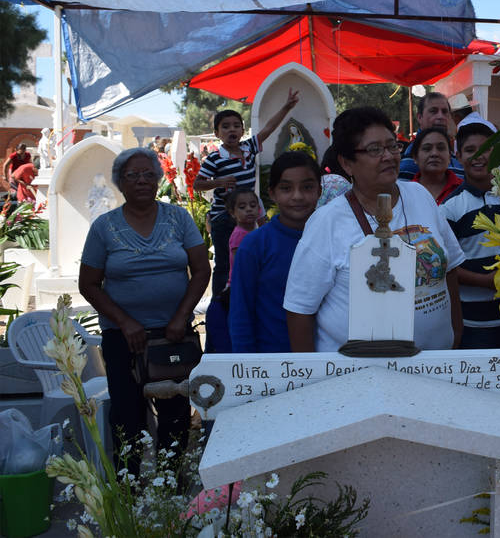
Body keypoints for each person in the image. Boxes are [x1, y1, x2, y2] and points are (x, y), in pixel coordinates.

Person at [284, 107, 465, 352]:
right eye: (374, 150)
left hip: (435, 364)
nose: (389, 156)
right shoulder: (327, 222)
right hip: (359, 376)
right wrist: (312, 376)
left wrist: (455, 333)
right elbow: (300, 310)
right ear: (347, 163)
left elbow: (450, 267)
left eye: (392, 146)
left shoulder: (420, 195)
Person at [78, 148, 210, 470]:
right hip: (123, 338)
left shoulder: (178, 218)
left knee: (175, 416)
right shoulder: (104, 227)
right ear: (120, 183)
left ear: (158, 180)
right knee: (127, 416)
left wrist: (180, 317)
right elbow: (89, 284)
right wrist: (125, 323)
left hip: (172, 335)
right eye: (132, 175)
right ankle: (131, 491)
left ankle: (172, 485)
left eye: (148, 174)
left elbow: (201, 270)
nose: (141, 181)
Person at [194, 91, 299, 297]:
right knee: (225, 263)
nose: (231, 129)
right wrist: (219, 182)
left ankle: (253, 293)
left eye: (236, 125)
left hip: (251, 213)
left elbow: (269, 128)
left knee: (256, 255)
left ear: (242, 130)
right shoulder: (215, 159)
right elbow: (198, 184)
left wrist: (287, 107)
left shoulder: (249, 147)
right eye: (225, 126)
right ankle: (221, 302)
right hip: (225, 218)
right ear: (217, 133)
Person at [230, 152, 322, 353]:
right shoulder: (254, 245)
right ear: (272, 193)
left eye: (307, 187)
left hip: (329, 360)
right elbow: (240, 311)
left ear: (319, 191)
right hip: (272, 362)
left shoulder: (333, 239)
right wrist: (248, 366)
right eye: (286, 188)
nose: (297, 196)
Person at [441, 123, 500, 348]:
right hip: (473, 324)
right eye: (469, 150)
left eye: (486, 148)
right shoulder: (450, 207)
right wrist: (487, 281)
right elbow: (447, 266)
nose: (478, 156)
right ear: (458, 155)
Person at [398, 91, 464, 180]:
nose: (440, 116)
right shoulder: (411, 158)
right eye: (433, 111)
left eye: (444, 112)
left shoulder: (454, 154)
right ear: (420, 117)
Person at [409, 128, 462, 204]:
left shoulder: (463, 190)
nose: (434, 153)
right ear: (415, 157)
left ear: (450, 156)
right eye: (427, 149)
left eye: (441, 148)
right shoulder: (405, 193)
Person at [226, 188, 260, 279]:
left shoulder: (257, 232)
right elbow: (240, 263)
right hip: (241, 282)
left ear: (259, 209)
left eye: (253, 205)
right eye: (242, 207)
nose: (249, 209)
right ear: (232, 213)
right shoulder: (239, 235)